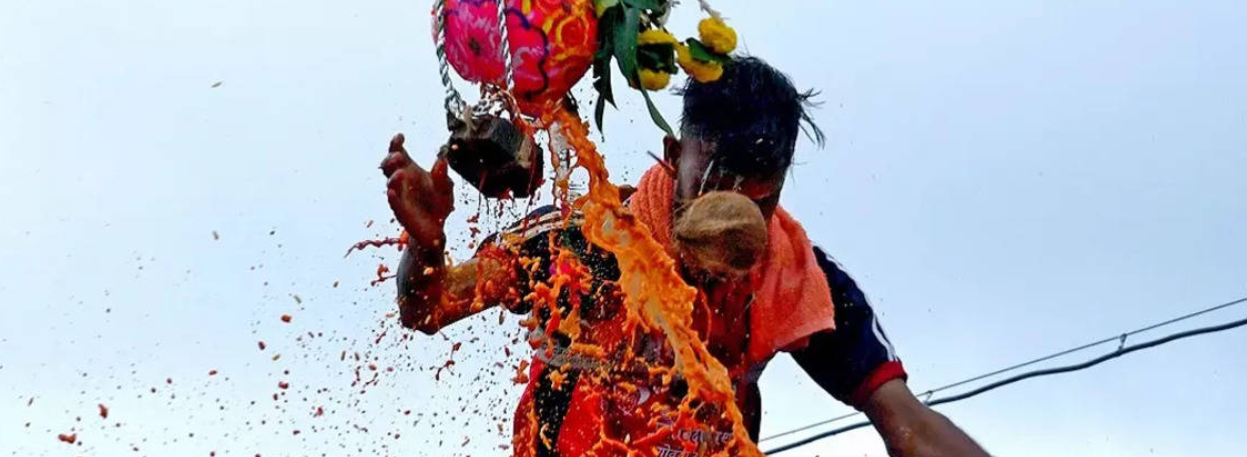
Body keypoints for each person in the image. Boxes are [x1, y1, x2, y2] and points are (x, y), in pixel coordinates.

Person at [383, 56, 990, 457]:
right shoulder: (588, 238)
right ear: (676, 155)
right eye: (718, 182)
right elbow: (429, 307)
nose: (737, 219)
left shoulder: (799, 278)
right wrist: (428, 244)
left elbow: (905, 419)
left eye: (763, 194)